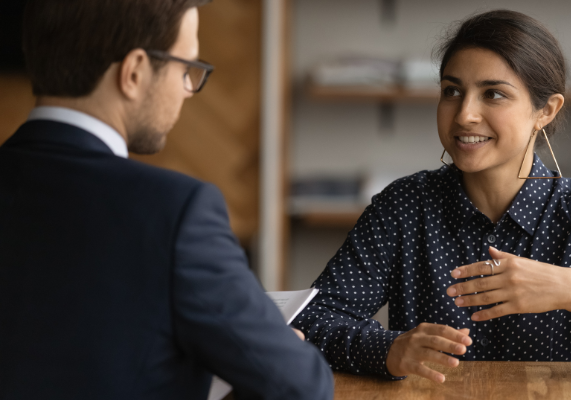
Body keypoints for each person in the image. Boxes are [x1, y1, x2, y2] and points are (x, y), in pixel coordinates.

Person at [292, 9, 571, 383]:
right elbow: (312, 321)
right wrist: (387, 349)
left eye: (493, 94)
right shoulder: (404, 206)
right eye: (452, 90)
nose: (464, 114)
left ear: (544, 111)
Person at [0, 1, 332, 399]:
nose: (189, 90)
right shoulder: (176, 211)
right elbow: (302, 386)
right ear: (135, 71)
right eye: (185, 67)